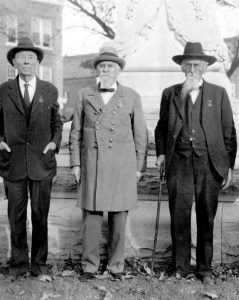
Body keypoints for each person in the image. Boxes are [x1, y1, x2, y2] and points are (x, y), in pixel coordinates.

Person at [155, 42, 237, 283]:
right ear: (182, 68)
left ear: (205, 68)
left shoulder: (218, 93)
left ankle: (205, 269)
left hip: (209, 163)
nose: (192, 69)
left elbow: (228, 131)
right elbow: (161, 128)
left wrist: (229, 166)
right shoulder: (171, 93)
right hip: (178, 163)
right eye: (188, 65)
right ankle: (180, 268)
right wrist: (160, 154)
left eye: (197, 65)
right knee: (179, 216)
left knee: (206, 217)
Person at [69, 46, 147, 282]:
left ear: (118, 71)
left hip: (122, 165)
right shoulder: (84, 94)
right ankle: (89, 266)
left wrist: (138, 167)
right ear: (97, 69)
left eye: (110, 66)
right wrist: (75, 164)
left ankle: (116, 265)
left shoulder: (132, 96)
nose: (105, 69)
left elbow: (140, 134)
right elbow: (76, 131)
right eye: (102, 65)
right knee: (91, 218)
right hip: (92, 163)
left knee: (118, 218)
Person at [0, 37, 62, 278]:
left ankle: (39, 265)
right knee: (15, 217)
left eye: (31, 57)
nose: (26, 61)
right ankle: (18, 266)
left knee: (40, 217)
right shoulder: (4, 90)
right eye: (21, 57)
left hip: (41, 162)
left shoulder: (49, 89)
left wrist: (53, 143)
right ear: (14, 61)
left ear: (38, 62)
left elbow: (57, 122)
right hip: (12, 161)